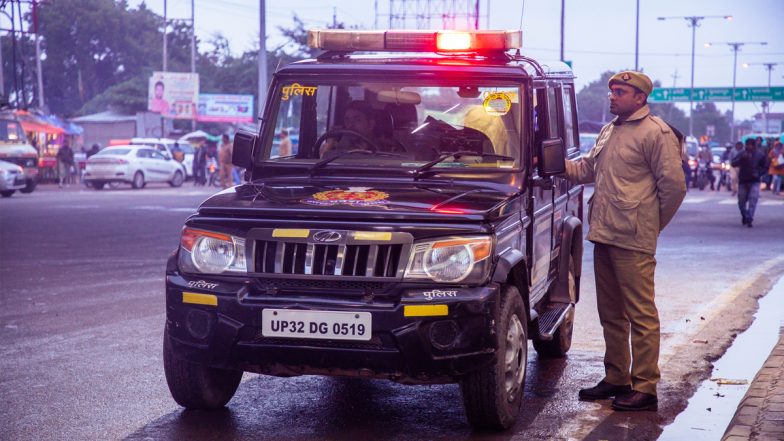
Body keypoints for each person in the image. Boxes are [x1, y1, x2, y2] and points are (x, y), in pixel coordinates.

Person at [564, 71, 686, 411]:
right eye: (612, 91)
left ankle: (645, 386)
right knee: (611, 314)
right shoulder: (610, 129)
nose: (612, 96)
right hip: (604, 233)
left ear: (640, 98)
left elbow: (674, 188)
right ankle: (617, 377)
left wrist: (650, 224)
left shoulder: (656, 133)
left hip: (633, 238)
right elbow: (588, 170)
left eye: (621, 91)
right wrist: (554, 165)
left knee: (641, 314)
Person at [319, 100, 397, 158]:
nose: (350, 125)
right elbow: (320, 163)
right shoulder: (338, 146)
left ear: (370, 124)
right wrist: (330, 141)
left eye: (357, 119)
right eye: (347, 120)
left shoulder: (387, 148)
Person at [731, 138, 769, 227]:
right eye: (747, 145)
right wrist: (741, 159)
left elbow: (765, 166)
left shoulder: (760, 154)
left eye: (751, 145)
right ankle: (745, 215)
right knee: (741, 201)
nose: (749, 147)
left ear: (754, 145)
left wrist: (759, 173)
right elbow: (733, 163)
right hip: (743, 180)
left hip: (754, 180)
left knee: (753, 199)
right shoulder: (741, 154)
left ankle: (750, 217)